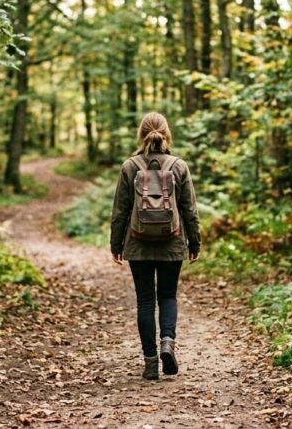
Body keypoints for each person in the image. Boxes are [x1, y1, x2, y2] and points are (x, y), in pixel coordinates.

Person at [110, 111, 201, 381]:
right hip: (172, 243)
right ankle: (167, 344)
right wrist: (194, 242)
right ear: (166, 133)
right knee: (168, 296)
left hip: (138, 244)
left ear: (141, 134)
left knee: (146, 301)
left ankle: (150, 362)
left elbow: (120, 211)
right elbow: (190, 210)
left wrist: (116, 244)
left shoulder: (130, 166)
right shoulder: (178, 166)